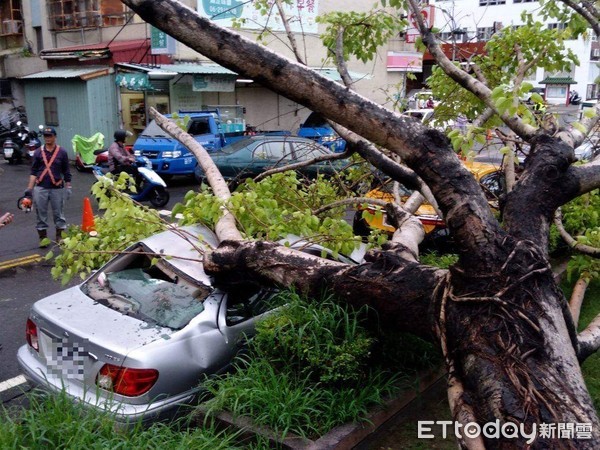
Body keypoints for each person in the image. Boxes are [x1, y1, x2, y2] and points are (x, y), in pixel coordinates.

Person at [24, 127, 72, 247]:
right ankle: (43, 238)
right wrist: (29, 189)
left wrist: (68, 186)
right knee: (40, 213)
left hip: (57, 188)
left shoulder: (62, 152)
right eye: (45, 136)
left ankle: (59, 236)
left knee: (59, 213)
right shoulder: (38, 152)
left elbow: (66, 170)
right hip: (41, 187)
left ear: (55, 137)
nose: (47, 138)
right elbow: (34, 171)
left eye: (50, 136)